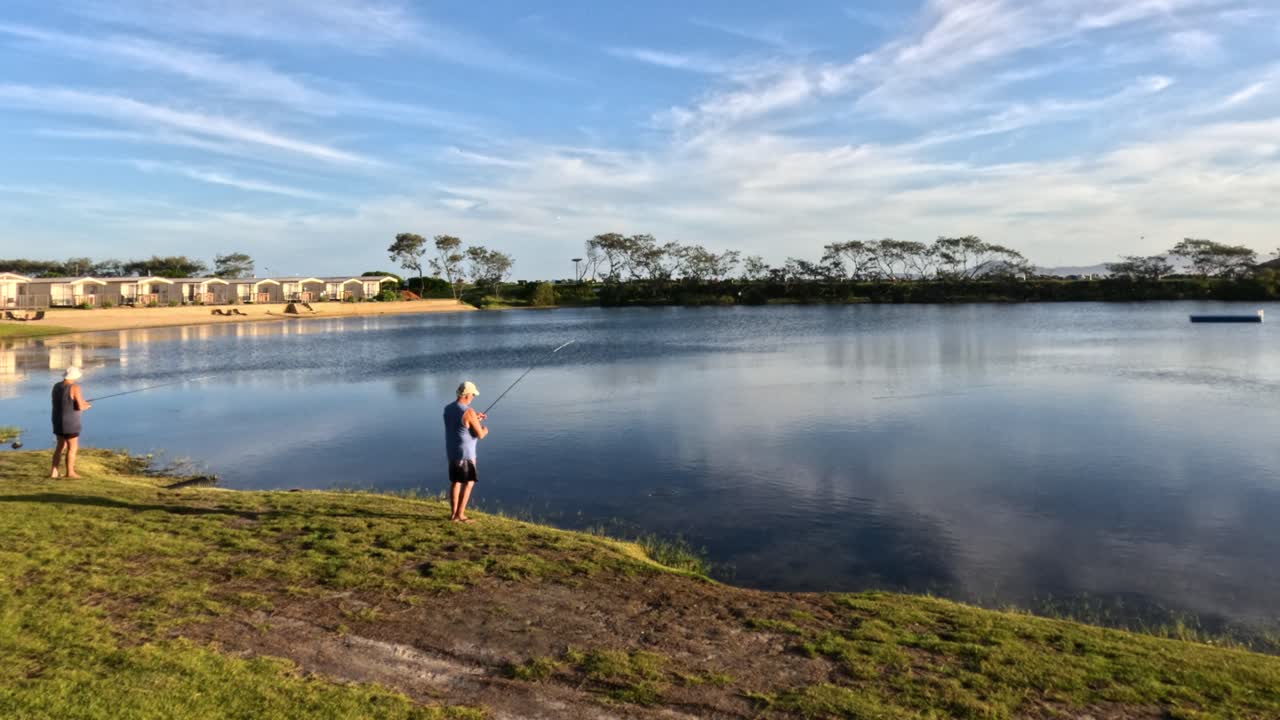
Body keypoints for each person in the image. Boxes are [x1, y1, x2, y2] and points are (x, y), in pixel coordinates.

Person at [443, 380, 488, 523]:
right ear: (467, 395)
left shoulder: (448, 408)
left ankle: (453, 515)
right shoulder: (469, 411)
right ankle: (460, 515)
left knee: (456, 482)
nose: (473, 397)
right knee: (469, 483)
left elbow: (460, 427)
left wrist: (475, 419)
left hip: (452, 451)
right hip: (466, 454)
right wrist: (485, 429)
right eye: (473, 395)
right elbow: (479, 434)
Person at [51, 366, 91, 478]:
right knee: (72, 448)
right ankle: (70, 473)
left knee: (59, 447)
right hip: (70, 422)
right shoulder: (74, 387)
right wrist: (86, 405)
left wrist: (82, 403)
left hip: (57, 420)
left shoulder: (56, 386)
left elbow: (64, 402)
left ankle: (54, 472)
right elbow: (80, 406)